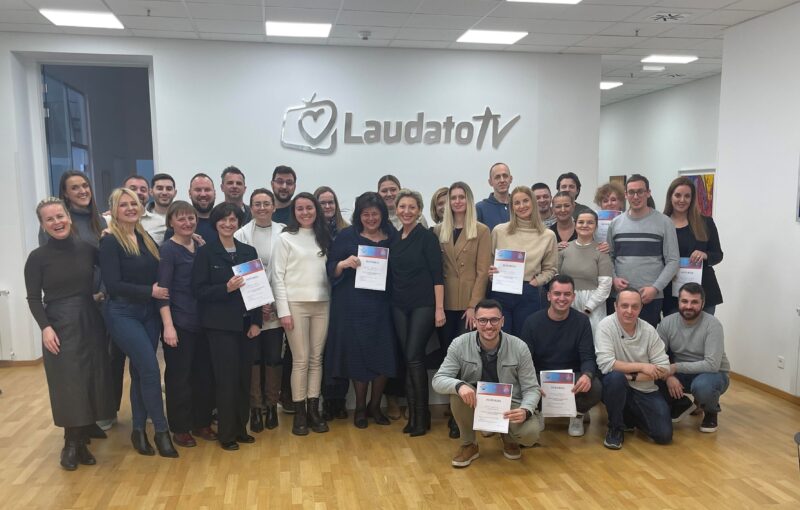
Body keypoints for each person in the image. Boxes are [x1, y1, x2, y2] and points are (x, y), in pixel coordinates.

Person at [25, 197, 114, 470]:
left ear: (69, 217)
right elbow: (33, 298)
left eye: (60, 216)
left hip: (90, 319)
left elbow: (113, 265)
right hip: (59, 324)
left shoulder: (87, 249)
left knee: (91, 379)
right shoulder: (37, 258)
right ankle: (71, 444)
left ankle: (82, 440)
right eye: (49, 219)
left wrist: (111, 235)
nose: (57, 222)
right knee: (68, 383)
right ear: (42, 225)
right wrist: (45, 328)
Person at [99, 188, 178, 458]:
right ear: (114, 210)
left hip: (148, 313)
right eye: (123, 205)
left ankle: (137, 430)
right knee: (151, 371)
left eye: (133, 204)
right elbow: (113, 284)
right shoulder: (110, 241)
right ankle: (161, 431)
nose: (130, 208)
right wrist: (150, 292)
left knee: (139, 372)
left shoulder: (144, 237)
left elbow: (161, 262)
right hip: (123, 313)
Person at [432, 299, 542, 468]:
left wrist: (526, 410)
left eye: (494, 320)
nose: (489, 326)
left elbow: (532, 388)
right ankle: (469, 444)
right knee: (457, 393)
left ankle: (508, 437)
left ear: (502, 321)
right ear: (475, 322)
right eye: (483, 320)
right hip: (475, 401)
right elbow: (438, 380)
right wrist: (459, 386)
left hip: (510, 403)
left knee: (530, 434)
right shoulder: (459, 344)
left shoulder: (519, 347)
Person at [191, 203, 262, 450]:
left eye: (233, 220)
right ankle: (227, 434)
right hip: (220, 327)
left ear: (239, 223)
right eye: (223, 219)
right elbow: (199, 291)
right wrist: (226, 288)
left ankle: (242, 429)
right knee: (226, 381)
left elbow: (257, 289)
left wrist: (257, 322)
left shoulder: (248, 251)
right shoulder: (206, 253)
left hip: (246, 325)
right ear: (215, 223)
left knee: (244, 379)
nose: (228, 224)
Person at [325, 192, 398, 428]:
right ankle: (359, 408)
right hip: (354, 306)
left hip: (384, 306)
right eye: (366, 214)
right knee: (359, 357)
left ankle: (374, 406)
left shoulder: (393, 236)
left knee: (383, 355)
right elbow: (330, 267)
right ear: (359, 215)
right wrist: (344, 264)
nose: (371, 218)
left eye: (375, 214)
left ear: (382, 214)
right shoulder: (347, 236)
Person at [433, 181, 491, 439]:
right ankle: (454, 411)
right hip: (445, 303)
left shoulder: (481, 230)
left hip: (468, 304)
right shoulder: (439, 230)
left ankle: (463, 417)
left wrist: (473, 306)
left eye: (461, 197)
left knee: (467, 360)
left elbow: (482, 272)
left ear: (468, 200)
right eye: (453, 198)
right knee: (449, 359)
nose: (457, 201)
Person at [272, 192, 332, 436]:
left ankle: (313, 410)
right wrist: (283, 311)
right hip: (295, 305)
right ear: (294, 212)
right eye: (300, 208)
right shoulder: (285, 238)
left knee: (316, 359)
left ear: (316, 209)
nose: (305, 212)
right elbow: (277, 277)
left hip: (322, 304)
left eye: (309, 207)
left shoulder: (324, 237)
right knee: (300, 360)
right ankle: (299, 413)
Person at [157, 201, 216, 448]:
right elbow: (163, 291)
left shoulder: (201, 246)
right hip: (179, 322)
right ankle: (180, 428)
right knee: (179, 378)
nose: (187, 223)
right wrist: (168, 326)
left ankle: (201, 422)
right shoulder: (168, 250)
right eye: (181, 218)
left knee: (203, 375)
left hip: (204, 321)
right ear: (171, 222)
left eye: (191, 218)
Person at [390, 189, 445, 437]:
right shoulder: (394, 238)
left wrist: (439, 309)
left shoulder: (427, 237)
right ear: (396, 209)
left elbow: (437, 275)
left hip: (424, 305)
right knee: (408, 358)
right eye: (402, 207)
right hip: (398, 305)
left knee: (414, 357)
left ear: (419, 210)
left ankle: (421, 417)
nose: (407, 211)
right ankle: (413, 417)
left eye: (412, 207)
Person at [520, 275, 600, 437]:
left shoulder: (582, 322)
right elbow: (524, 361)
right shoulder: (532, 322)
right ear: (549, 296)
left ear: (573, 297)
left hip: (572, 378)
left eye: (567, 294)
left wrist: (587, 375)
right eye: (557, 294)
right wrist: (531, 381)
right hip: (541, 378)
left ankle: (578, 415)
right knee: (520, 382)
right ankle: (538, 411)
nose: (562, 298)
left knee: (595, 386)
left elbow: (588, 357)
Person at [233, 189, 286, 432]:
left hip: (276, 305)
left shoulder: (284, 232)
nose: (262, 208)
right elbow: (240, 272)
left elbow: (285, 271)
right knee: (253, 358)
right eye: (257, 204)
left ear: (274, 207)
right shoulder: (240, 234)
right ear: (251, 207)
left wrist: (272, 302)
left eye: (266, 203)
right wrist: (258, 304)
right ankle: (255, 408)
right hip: (251, 308)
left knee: (273, 357)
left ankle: (271, 406)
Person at [596, 288, 672, 450]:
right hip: (615, 386)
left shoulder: (649, 330)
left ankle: (628, 417)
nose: (629, 311)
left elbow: (664, 368)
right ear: (615, 306)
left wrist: (631, 377)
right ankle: (615, 428)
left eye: (634, 306)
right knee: (615, 378)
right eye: (624, 306)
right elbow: (606, 364)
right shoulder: (605, 326)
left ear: (641, 308)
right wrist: (643, 366)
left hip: (645, 389)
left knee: (663, 435)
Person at [607, 174, 679, 328]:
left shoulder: (664, 222)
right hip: (620, 296)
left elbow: (673, 261)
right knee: (619, 338)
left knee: (647, 339)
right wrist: (614, 278)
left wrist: (655, 288)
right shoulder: (615, 223)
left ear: (648, 193)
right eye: (631, 192)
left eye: (640, 191)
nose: (636, 196)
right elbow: (608, 256)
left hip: (650, 297)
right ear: (626, 195)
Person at [657, 283, 730, 433]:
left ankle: (711, 411)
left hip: (713, 374)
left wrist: (674, 367)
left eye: (694, 302)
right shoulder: (667, 322)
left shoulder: (713, 325)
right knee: (650, 375)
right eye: (684, 301)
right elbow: (656, 355)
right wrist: (668, 376)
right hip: (681, 373)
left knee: (702, 387)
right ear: (678, 302)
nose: (689, 306)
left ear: (702, 303)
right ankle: (681, 404)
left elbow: (712, 365)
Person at [489, 186, 557, 336]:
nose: (521, 206)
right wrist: (491, 272)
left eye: (525, 201)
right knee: (499, 337)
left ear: (533, 202)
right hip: (501, 291)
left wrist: (536, 282)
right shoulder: (499, 231)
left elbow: (551, 269)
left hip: (528, 292)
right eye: (517, 203)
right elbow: (489, 261)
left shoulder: (547, 235)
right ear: (512, 207)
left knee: (525, 338)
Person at [313, 185, 351, 420]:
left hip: (342, 297)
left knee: (341, 349)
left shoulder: (348, 230)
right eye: (322, 203)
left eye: (331, 202)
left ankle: (340, 399)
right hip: (317, 296)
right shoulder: (311, 232)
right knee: (322, 351)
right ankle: (326, 400)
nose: (327, 206)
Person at [662, 177, 724, 315]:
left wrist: (705, 255)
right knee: (673, 329)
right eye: (678, 195)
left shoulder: (705, 222)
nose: (682, 200)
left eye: (687, 196)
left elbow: (718, 255)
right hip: (671, 293)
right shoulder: (661, 224)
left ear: (692, 199)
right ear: (670, 197)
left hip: (703, 291)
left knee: (703, 329)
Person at [558, 209, 613, 332]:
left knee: (592, 338)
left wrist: (589, 308)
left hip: (594, 306)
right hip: (567, 302)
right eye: (581, 222)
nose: (585, 225)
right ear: (575, 224)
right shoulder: (564, 249)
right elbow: (556, 277)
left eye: (590, 222)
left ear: (596, 226)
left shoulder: (602, 251)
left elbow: (605, 285)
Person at [39, 170, 106, 248]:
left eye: (85, 186)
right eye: (74, 188)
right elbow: (47, 253)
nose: (83, 191)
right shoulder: (56, 223)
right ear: (66, 194)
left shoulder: (100, 220)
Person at [476, 162, 512, 230]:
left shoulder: (519, 206)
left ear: (511, 179)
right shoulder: (480, 208)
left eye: (505, 176)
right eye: (497, 177)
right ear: (490, 182)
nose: (502, 180)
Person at [146, 173, 177, 245]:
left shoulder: (185, 217)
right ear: (151, 192)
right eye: (159, 188)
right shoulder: (140, 218)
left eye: (169, 189)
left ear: (175, 193)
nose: (164, 192)